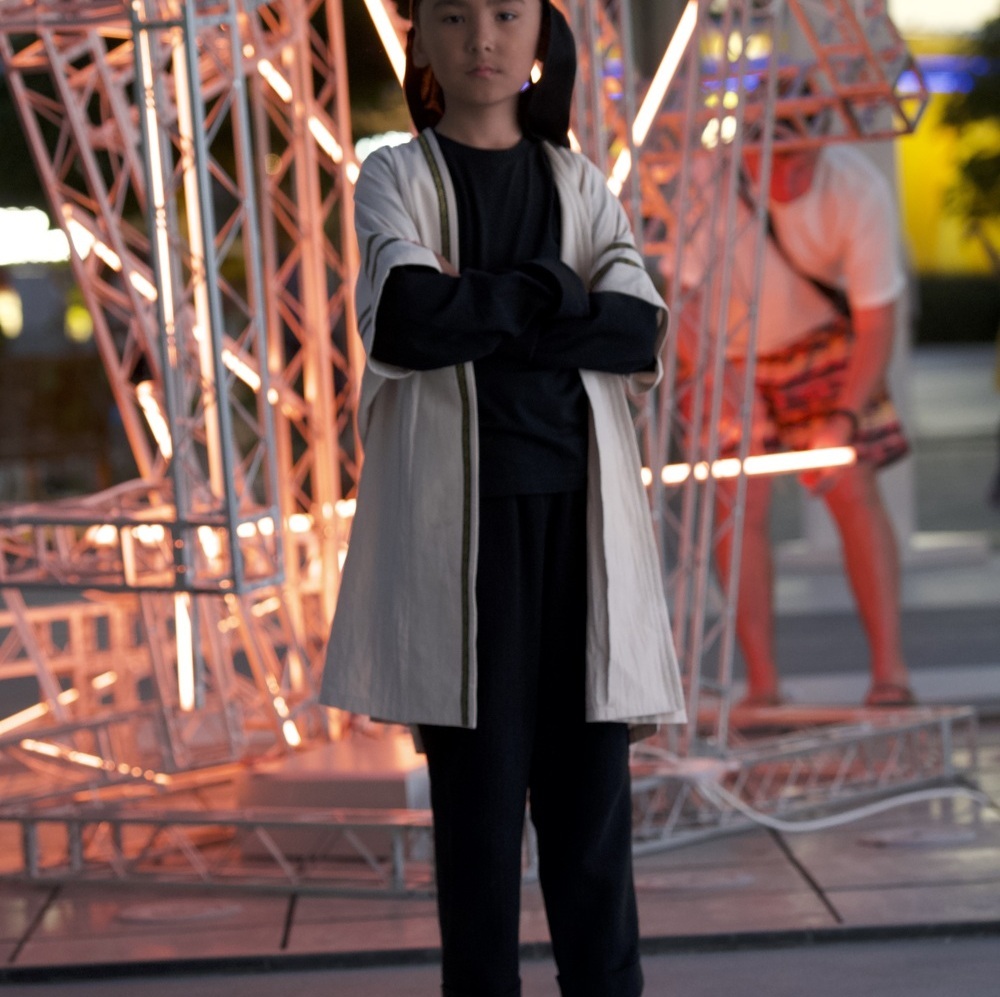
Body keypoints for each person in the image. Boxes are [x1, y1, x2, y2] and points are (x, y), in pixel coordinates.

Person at [319, 2, 686, 995]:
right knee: (477, 831)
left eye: (505, 14)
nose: (481, 36)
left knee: (592, 824)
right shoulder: (395, 175)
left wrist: (481, 303)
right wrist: (559, 290)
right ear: (423, 42)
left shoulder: (579, 181)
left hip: (580, 531)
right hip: (462, 543)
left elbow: (636, 330)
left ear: (538, 38)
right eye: (453, 15)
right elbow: (407, 316)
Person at [687, 136, 915, 710]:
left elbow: (876, 319)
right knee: (736, 503)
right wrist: (728, 391)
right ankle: (762, 682)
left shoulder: (856, 186)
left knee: (851, 486)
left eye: (803, 162)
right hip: (729, 350)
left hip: (822, 341)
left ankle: (890, 670)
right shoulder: (706, 179)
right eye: (778, 161)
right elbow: (681, 302)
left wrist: (843, 418)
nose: (790, 180)